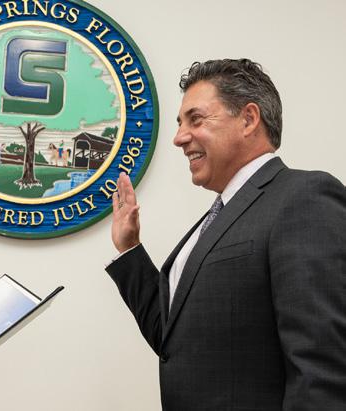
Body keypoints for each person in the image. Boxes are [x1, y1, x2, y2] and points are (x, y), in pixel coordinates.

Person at [106, 59, 346, 410]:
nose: (179, 138)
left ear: (248, 119)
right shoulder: (220, 215)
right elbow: (171, 338)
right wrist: (129, 248)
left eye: (196, 119)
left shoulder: (303, 198)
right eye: (180, 123)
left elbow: (322, 368)